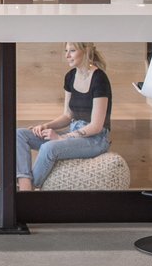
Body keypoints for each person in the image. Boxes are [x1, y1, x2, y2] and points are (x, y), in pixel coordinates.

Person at [13, 43, 112, 189]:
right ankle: (25, 184)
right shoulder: (70, 76)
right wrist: (45, 126)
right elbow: (68, 115)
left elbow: (96, 126)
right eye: (66, 51)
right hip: (73, 130)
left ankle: (25, 191)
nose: (67, 55)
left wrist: (62, 138)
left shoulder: (99, 79)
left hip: (96, 139)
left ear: (86, 51)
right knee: (19, 135)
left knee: (48, 148)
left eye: (72, 51)